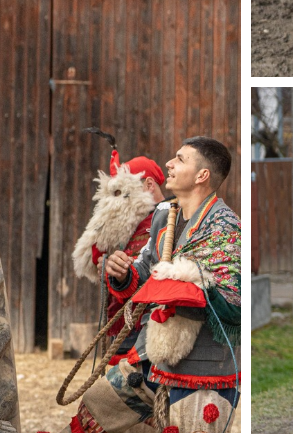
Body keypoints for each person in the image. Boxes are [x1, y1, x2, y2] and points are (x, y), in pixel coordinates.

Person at [81, 138, 241, 432]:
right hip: (151, 357)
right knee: (94, 409)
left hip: (201, 370)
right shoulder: (163, 215)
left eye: (180, 159)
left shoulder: (225, 227)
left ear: (201, 175)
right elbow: (143, 271)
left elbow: (234, 306)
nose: (169, 163)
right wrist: (123, 272)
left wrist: (189, 284)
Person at [67, 148, 167, 430]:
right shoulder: (126, 223)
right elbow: (94, 258)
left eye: (124, 190)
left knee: (136, 409)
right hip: (120, 327)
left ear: (148, 185)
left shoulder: (170, 219)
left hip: (151, 332)